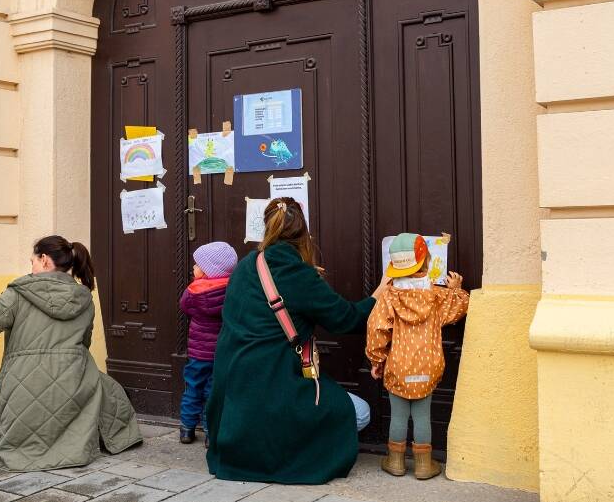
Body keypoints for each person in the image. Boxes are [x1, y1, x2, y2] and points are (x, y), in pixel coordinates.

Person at [205, 197, 386, 484]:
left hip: (232, 401)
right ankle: (286, 451)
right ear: (305, 233)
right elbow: (346, 319)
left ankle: (253, 447)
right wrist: (378, 295)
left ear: (267, 229)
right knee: (360, 413)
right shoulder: (299, 274)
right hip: (276, 389)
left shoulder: (245, 267)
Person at [0, 235, 142, 471]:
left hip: (23, 386)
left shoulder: (18, 293)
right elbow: (85, 343)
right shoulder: (84, 298)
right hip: (74, 384)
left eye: (31, 261)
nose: (30, 267)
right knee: (106, 386)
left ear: (44, 260)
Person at [366, 233, 470, 480]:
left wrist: (376, 360)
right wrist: (456, 290)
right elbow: (457, 310)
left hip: (398, 365)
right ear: (426, 262)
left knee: (399, 415)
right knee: (423, 415)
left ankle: (395, 461)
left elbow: (376, 329)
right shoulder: (436, 294)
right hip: (429, 363)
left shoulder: (389, 296)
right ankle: (424, 465)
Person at [178, 241, 236, 445]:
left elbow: (184, 307)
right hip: (220, 353)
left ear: (206, 270)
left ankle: (187, 429)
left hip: (197, 353)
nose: (193, 268)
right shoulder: (232, 289)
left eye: (196, 265)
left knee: (193, 388)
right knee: (213, 392)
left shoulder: (194, 291)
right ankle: (211, 434)